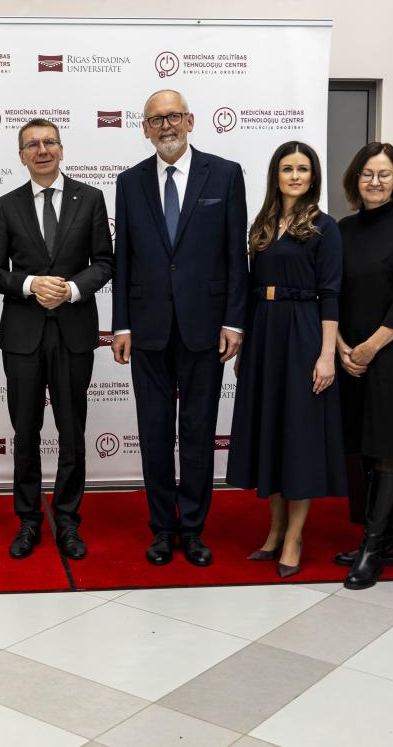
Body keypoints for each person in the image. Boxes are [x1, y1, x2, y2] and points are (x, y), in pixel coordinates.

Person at [112, 90, 248, 567]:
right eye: (155, 119)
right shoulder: (129, 182)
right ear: (144, 128)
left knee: (197, 431)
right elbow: (124, 258)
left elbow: (236, 254)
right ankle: (161, 529)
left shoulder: (225, 174)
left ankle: (192, 528)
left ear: (190, 121)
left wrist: (234, 320)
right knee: (153, 434)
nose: (165, 125)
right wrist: (121, 325)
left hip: (205, 328)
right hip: (147, 328)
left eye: (173, 116)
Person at [0, 119, 113, 561]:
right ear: (21, 155)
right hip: (23, 336)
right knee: (26, 431)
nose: (42, 150)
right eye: (32, 145)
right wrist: (30, 284)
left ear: (61, 148)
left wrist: (72, 289)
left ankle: (68, 520)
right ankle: (28, 520)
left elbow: (105, 262)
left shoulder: (90, 198)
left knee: (72, 431)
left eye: (49, 142)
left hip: (74, 333)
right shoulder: (6, 206)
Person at [227, 141, 344, 578]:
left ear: (313, 177)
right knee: (271, 434)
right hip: (263, 333)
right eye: (287, 168)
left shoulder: (325, 227)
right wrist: (245, 347)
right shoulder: (262, 225)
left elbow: (330, 294)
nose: (295, 176)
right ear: (275, 175)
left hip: (303, 333)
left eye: (303, 169)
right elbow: (248, 288)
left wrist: (327, 355)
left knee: (298, 437)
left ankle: (295, 536)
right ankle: (274, 531)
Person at [332, 142, 393, 590]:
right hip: (350, 355)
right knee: (364, 446)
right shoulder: (343, 229)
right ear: (355, 179)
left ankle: (372, 551)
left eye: (385, 174)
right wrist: (341, 347)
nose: (375, 182)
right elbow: (330, 292)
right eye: (367, 174)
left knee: (387, 449)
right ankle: (384, 540)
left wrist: (370, 347)